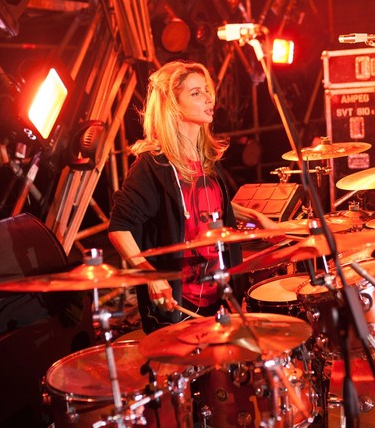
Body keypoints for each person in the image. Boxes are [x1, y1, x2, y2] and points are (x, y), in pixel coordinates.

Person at [107, 60, 277, 334]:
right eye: (196, 93)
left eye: (207, 90)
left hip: (219, 297)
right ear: (173, 106)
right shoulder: (153, 165)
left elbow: (202, 203)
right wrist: (149, 274)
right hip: (180, 307)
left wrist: (254, 217)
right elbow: (119, 227)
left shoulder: (206, 159)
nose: (209, 98)